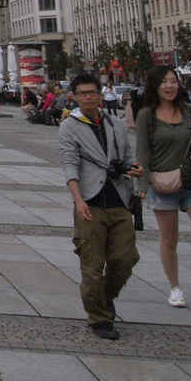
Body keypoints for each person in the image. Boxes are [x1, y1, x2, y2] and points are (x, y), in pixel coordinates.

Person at [58, 73, 142, 340]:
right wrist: (78, 199)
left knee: (126, 258)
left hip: (119, 199)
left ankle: (104, 298)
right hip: (90, 203)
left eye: (93, 92)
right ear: (75, 96)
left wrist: (134, 171)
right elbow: (69, 163)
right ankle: (99, 318)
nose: (89, 97)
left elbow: (127, 157)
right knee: (92, 265)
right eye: (83, 93)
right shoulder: (70, 126)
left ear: (100, 93)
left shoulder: (114, 124)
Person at [136, 66, 191, 316]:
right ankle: (175, 287)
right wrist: (142, 186)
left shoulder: (190, 111)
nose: (169, 86)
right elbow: (143, 151)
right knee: (169, 239)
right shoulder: (147, 115)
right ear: (155, 86)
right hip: (162, 185)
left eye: (173, 81)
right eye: (164, 82)